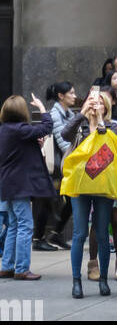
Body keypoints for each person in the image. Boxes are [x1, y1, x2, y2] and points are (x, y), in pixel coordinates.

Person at [61, 89, 117, 298]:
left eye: (99, 102)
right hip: (80, 185)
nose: (94, 104)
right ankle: (76, 281)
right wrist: (82, 113)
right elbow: (64, 135)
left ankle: (104, 280)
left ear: (106, 107)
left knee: (101, 233)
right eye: (91, 100)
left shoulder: (112, 126)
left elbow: (111, 147)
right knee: (79, 233)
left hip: (103, 185)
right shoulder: (78, 124)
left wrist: (99, 119)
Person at [0, 93, 54, 281]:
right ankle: (22, 268)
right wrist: (42, 108)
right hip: (19, 185)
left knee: (14, 225)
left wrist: (35, 142)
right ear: (22, 111)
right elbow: (47, 127)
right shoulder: (20, 129)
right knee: (25, 225)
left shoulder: (5, 130)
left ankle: (7, 266)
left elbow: (20, 151)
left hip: (8, 184)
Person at [32, 81, 76, 251]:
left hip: (64, 165)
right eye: (71, 93)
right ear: (61, 96)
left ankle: (55, 234)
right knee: (47, 200)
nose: (74, 96)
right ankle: (39, 238)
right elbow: (63, 141)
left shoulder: (69, 114)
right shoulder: (55, 115)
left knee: (71, 200)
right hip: (55, 166)